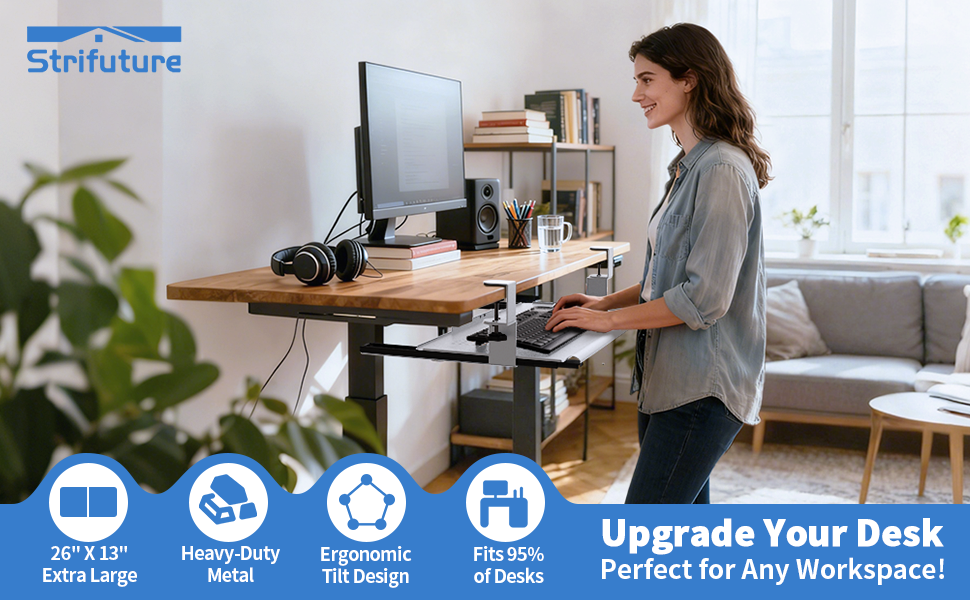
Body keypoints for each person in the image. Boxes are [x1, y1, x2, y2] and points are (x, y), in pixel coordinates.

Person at [545, 23, 770, 504]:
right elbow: (663, 279)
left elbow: (704, 297)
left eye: (647, 79)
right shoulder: (687, 166)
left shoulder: (722, 170)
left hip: (701, 390)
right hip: (668, 380)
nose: (635, 94)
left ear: (688, 79)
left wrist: (607, 321)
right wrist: (604, 301)